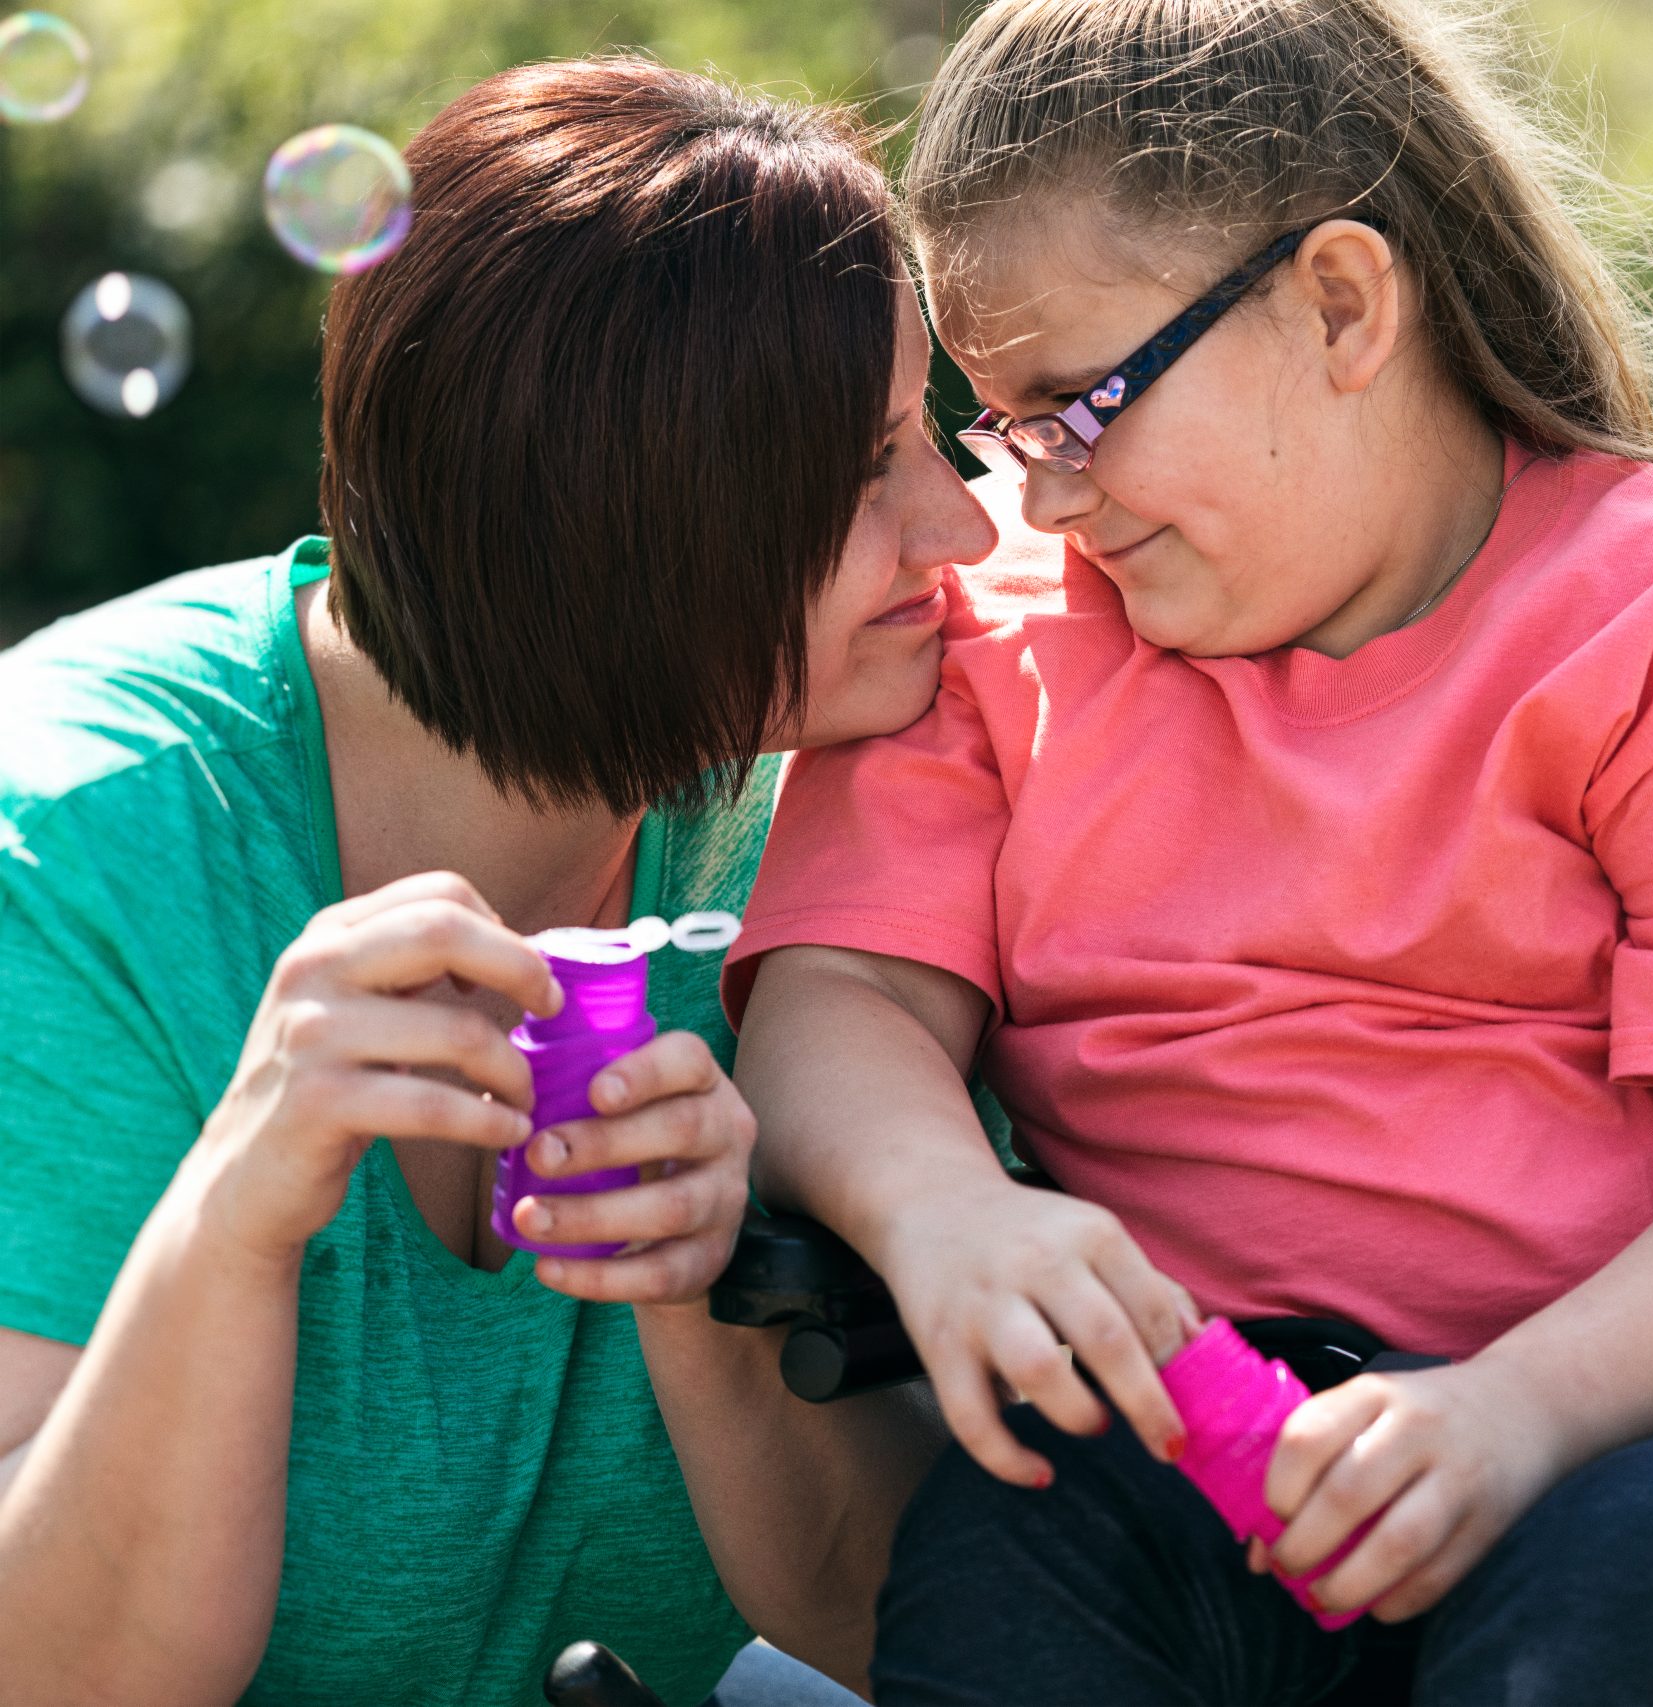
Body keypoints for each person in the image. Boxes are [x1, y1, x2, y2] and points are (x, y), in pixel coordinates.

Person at [724, 2, 1653, 1703]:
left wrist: (1517, 1413)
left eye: (1080, 408)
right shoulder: (1004, 635)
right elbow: (841, 999)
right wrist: (945, 1212)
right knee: (1014, 1539)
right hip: (1274, 1446)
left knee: (1616, 1563)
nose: (1051, 497)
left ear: (1341, 304)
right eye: (1007, 424)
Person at [0, 58, 999, 1707]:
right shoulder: (75, 847)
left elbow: (915, 1623)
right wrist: (236, 1221)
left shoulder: (866, 810)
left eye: (931, 438)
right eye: (862, 473)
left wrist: (706, 1296)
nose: (961, 534)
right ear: (623, 517)